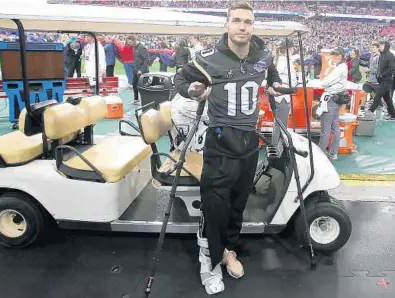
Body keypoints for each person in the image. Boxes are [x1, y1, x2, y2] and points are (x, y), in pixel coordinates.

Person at [173, 1, 283, 295]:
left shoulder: (263, 54)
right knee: (215, 207)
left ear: (253, 26)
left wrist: (275, 83)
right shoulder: (208, 57)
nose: (242, 26)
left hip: (249, 141)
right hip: (220, 141)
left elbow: (270, 70)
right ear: (227, 25)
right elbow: (181, 78)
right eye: (236, 20)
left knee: (237, 204)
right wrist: (192, 91)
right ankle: (208, 260)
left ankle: (228, 250)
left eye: (247, 21)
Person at [316, 48, 348, 160]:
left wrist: (323, 82)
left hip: (332, 99)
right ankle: (333, 153)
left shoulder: (340, 68)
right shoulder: (342, 67)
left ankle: (320, 154)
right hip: (336, 99)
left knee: (326, 127)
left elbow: (326, 82)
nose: (333, 58)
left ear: (339, 56)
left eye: (334, 56)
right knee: (334, 127)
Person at [272, 39, 297, 145]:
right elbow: (292, 81)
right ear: (288, 49)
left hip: (280, 96)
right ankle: (277, 149)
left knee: (278, 124)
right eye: (292, 49)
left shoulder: (280, 60)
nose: (293, 51)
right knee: (281, 125)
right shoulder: (285, 62)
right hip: (283, 96)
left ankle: (276, 148)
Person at [367, 40, 395, 121]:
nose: (380, 47)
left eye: (381, 46)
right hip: (381, 80)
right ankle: (393, 115)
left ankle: (369, 112)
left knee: (377, 97)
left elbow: (392, 68)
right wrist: (378, 75)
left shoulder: (390, 55)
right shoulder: (382, 55)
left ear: (386, 46)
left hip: (386, 80)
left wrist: (382, 75)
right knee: (387, 99)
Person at [127, 35, 149, 104]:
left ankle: (146, 101)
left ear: (134, 41)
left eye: (130, 43)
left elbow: (146, 59)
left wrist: (141, 70)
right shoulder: (134, 47)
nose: (129, 44)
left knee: (143, 87)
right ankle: (136, 99)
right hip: (136, 70)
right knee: (134, 85)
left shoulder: (141, 47)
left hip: (142, 71)